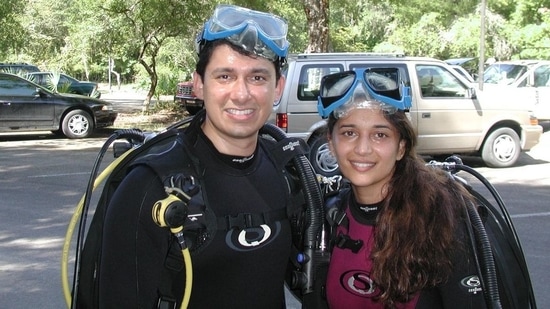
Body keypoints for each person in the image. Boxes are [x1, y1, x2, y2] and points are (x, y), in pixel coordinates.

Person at [95, 4, 304, 308]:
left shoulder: (289, 173)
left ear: (278, 88)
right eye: (225, 76)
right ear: (199, 85)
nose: (242, 93)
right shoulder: (149, 186)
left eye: (258, 77)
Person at [317, 69, 488, 308]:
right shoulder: (327, 218)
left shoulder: (442, 219)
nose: (363, 148)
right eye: (349, 133)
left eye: (380, 134)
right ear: (331, 145)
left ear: (401, 148)